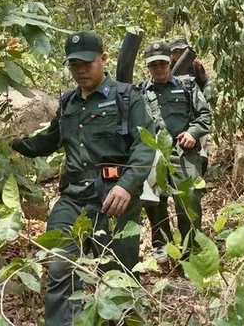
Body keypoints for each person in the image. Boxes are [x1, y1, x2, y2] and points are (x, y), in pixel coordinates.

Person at [11, 31, 155, 326]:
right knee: (61, 267)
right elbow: (50, 139)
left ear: (103, 59)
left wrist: (127, 187)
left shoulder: (128, 98)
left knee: (120, 278)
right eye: (74, 64)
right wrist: (12, 144)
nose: (80, 70)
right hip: (72, 198)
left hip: (114, 198)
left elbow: (145, 145)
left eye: (87, 63)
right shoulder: (67, 102)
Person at [140, 41, 211, 264]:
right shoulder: (140, 92)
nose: (159, 68)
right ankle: (161, 245)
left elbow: (205, 116)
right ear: (148, 67)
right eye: (153, 65)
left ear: (169, 62)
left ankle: (190, 251)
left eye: (162, 63)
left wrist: (192, 133)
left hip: (184, 154)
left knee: (189, 202)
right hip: (154, 156)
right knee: (154, 202)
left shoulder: (188, 86)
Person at [169, 37, 211, 175]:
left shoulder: (196, 66)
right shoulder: (167, 69)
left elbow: (205, 85)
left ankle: (200, 174)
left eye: (182, 51)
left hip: (197, 109)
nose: (179, 54)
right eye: (176, 52)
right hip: (178, 114)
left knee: (201, 146)